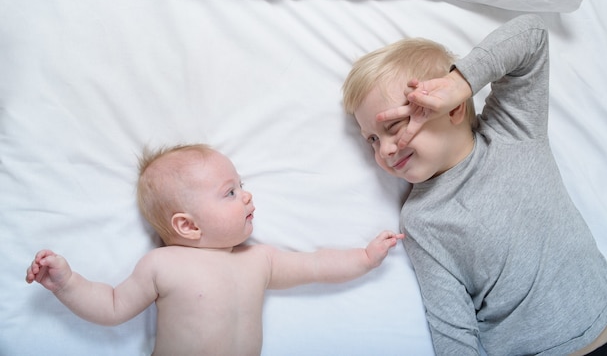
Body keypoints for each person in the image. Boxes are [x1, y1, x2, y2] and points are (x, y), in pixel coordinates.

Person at [342, 14, 607, 355]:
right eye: (371, 138)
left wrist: (462, 81)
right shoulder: (421, 219)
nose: (384, 149)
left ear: (453, 108)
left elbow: (532, 35)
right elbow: (451, 325)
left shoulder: (512, 130)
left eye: (396, 125)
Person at [26, 144, 404, 356]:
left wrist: (364, 258)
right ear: (188, 225)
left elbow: (318, 265)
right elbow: (111, 306)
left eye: (240, 185)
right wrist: (68, 283)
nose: (247, 195)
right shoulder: (163, 264)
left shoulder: (260, 259)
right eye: (230, 192)